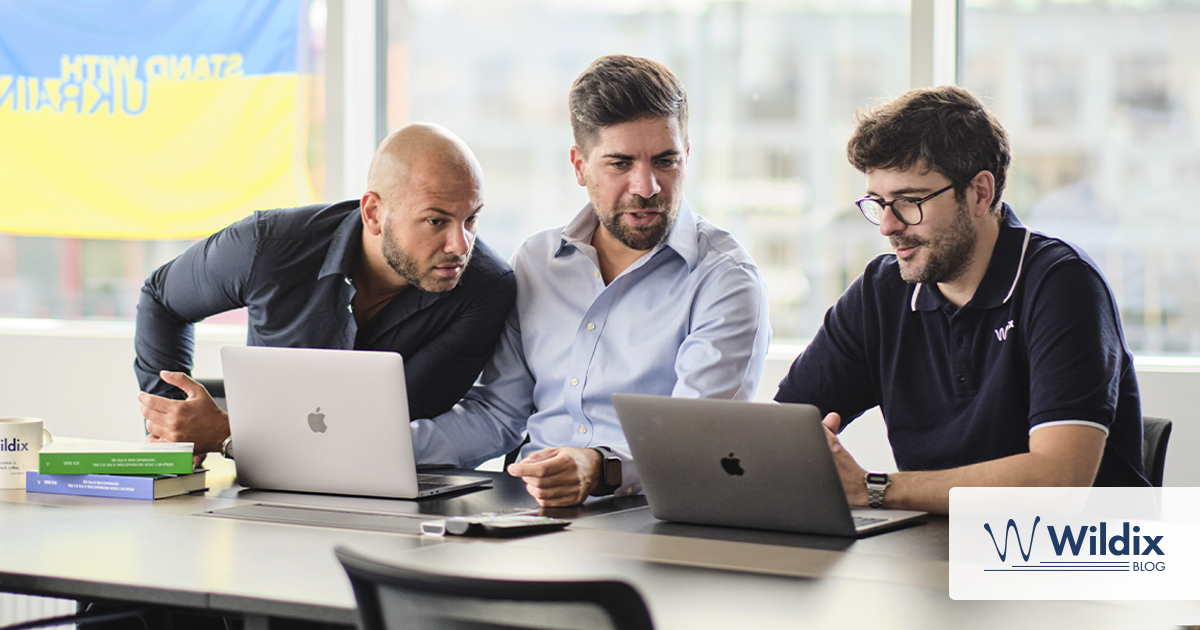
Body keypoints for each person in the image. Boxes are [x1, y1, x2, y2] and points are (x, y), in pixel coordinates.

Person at [411, 54, 771, 507]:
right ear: (579, 166)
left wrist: (600, 469)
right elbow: (500, 415)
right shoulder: (537, 262)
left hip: (654, 515)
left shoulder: (724, 280)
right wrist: (389, 448)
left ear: (687, 157)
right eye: (620, 164)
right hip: (529, 511)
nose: (647, 186)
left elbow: (697, 445)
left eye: (665, 161)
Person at [775, 85, 1149, 515]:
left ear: (979, 194)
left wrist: (874, 488)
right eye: (878, 204)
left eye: (909, 202)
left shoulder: (1063, 285)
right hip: (942, 555)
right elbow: (785, 431)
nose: (888, 226)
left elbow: (1058, 480)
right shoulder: (881, 292)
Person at [135, 123, 516, 464]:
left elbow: (378, 428)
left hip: (392, 497)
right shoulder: (268, 246)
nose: (460, 245)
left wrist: (229, 436)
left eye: (471, 219)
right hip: (262, 498)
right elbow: (162, 298)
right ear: (373, 214)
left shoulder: (483, 290)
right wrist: (173, 427)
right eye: (436, 221)